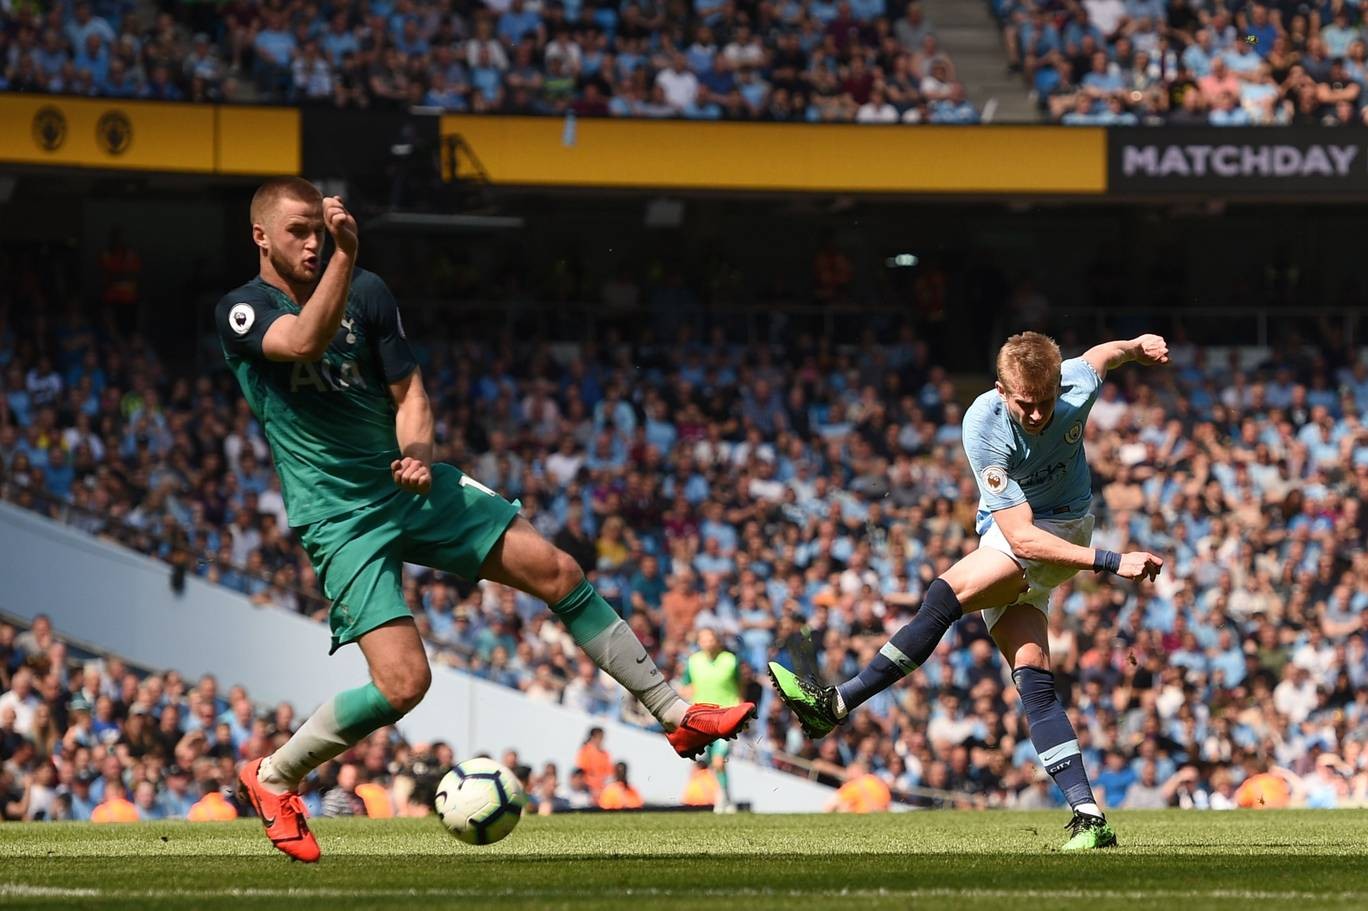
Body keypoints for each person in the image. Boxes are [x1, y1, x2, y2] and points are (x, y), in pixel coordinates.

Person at [221, 178, 755, 863]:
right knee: (404, 684)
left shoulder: (370, 292)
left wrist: (417, 453)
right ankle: (273, 777)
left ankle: (677, 715)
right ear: (261, 236)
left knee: (558, 568)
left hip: (405, 482)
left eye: (318, 232)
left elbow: (410, 390)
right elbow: (301, 341)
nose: (312, 243)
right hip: (339, 514)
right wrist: (346, 259)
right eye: (297, 231)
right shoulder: (241, 310)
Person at [771, 330, 1168, 851]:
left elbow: (1101, 357)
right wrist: (1113, 560)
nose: (1036, 415)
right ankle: (1090, 816)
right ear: (1002, 390)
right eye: (1025, 404)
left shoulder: (1074, 384)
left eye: (1045, 402)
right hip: (1014, 531)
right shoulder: (983, 422)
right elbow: (1019, 532)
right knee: (1034, 683)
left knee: (943, 596)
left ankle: (836, 704)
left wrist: (1137, 345)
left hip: (1062, 530)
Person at [680, 627, 742, 812]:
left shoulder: (730, 660)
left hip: (725, 717)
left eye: (711, 638)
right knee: (701, 761)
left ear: (718, 640)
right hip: (702, 718)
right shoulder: (693, 661)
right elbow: (686, 685)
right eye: (703, 639)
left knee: (718, 760)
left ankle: (723, 800)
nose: (707, 642)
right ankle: (718, 797)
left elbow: (739, 687)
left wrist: (740, 712)